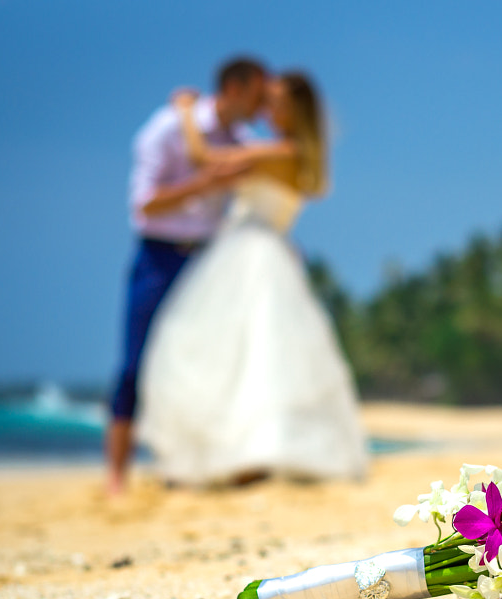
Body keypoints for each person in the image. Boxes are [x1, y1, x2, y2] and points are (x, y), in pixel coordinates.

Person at [135, 71, 368, 486]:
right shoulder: (292, 153)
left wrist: (186, 112)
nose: (267, 109)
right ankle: (239, 454)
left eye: (276, 102)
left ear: (293, 110)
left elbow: (202, 158)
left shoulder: (279, 150)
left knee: (234, 357)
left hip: (248, 251)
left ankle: (245, 456)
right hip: (264, 251)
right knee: (253, 357)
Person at [105, 57, 269, 495]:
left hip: (211, 260)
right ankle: (116, 475)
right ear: (235, 89)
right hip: (159, 255)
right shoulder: (165, 129)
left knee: (207, 367)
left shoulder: (242, 140)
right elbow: (144, 205)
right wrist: (204, 184)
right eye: (257, 94)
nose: (262, 104)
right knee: (135, 363)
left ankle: (188, 466)